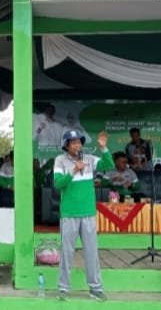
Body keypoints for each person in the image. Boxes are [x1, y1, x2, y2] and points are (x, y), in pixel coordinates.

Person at [54, 129, 114, 301]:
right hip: (69, 213)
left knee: (91, 252)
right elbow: (58, 183)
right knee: (67, 252)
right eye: (73, 142)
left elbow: (108, 165)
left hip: (88, 212)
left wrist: (104, 148)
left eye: (79, 141)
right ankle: (64, 288)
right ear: (66, 145)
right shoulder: (60, 160)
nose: (77, 144)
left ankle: (95, 288)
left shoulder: (88, 158)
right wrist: (73, 170)